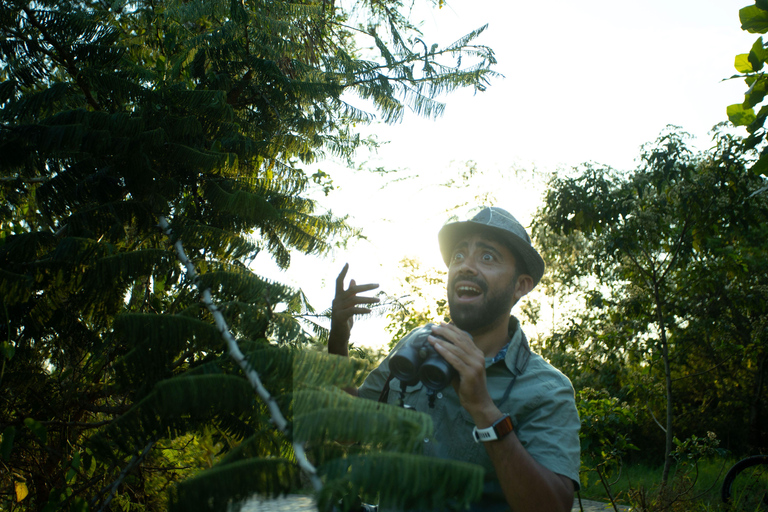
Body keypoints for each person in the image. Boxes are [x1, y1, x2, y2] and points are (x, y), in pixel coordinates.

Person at [328, 207, 581, 512]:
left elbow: (553, 507)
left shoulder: (548, 389)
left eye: (488, 257)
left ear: (520, 285)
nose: (466, 267)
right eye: (459, 256)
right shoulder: (417, 345)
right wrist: (338, 338)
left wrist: (483, 409)